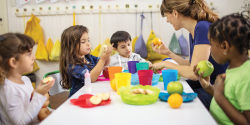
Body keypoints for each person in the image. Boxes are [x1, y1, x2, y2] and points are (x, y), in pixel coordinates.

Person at [151, 0, 228, 109]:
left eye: (167, 16)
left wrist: (167, 64)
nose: (167, 20)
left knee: (179, 100)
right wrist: (169, 53)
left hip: (219, 90)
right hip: (209, 84)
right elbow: (193, 65)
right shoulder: (195, 29)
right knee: (168, 93)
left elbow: (194, 74)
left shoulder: (202, 28)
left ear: (175, 13)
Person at [193, 12, 250, 125]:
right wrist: (208, 87)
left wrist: (219, 96)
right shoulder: (234, 67)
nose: (210, 50)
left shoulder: (246, 76)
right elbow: (231, 101)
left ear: (225, 46)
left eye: (211, 45)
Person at [0, 33, 55, 125]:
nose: (34, 57)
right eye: (29, 54)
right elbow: (21, 122)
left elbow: (31, 107)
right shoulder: (8, 89)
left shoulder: (25, 80)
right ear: (13, 62)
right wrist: (38, 95)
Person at [60, 25, 113, 98]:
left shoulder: (88, 57)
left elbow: (105, 63)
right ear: (71, 46)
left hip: (91, 93)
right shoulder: (73, 65)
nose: (88, 44)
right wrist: (103, 59)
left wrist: (108, 54)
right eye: (83, 42)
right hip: (79, 97)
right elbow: (91, 78)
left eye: (88, 40)